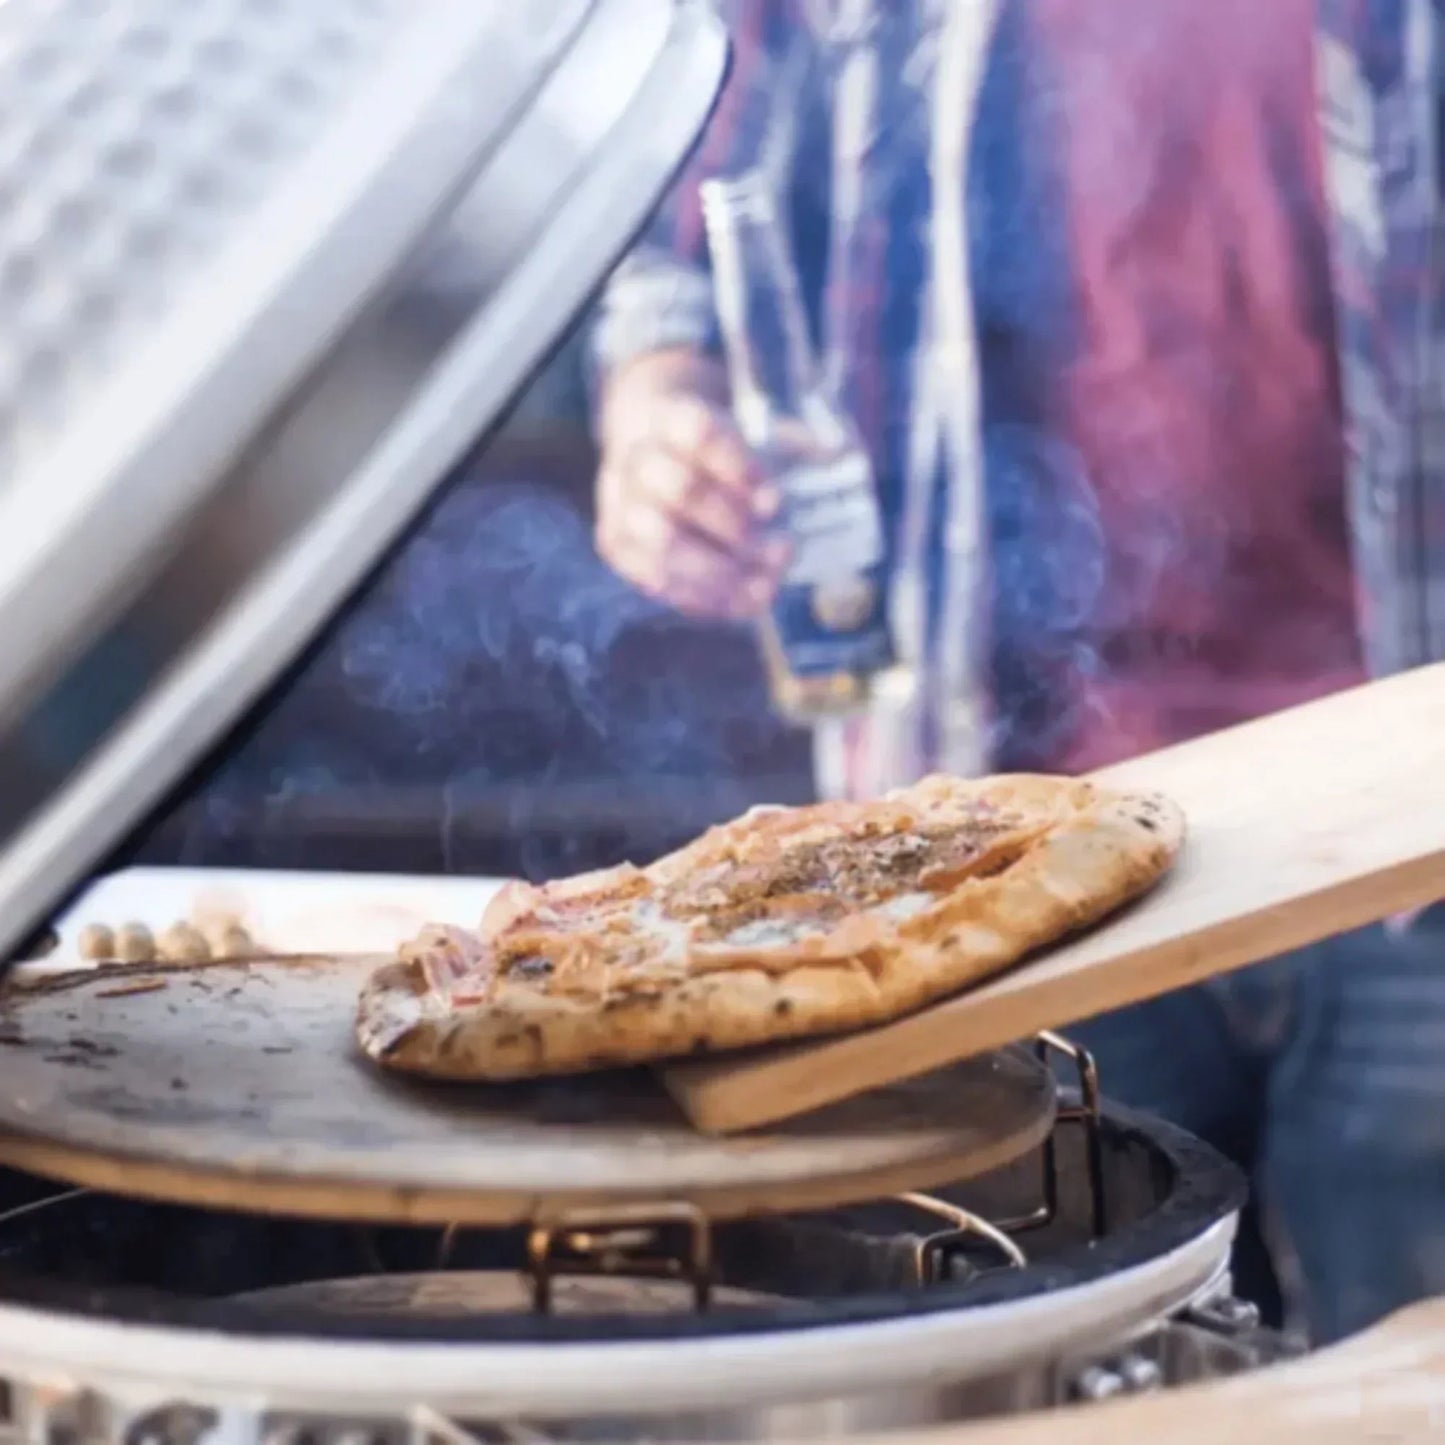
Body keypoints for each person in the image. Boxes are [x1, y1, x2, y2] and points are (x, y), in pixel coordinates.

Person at [589, 0, 1445, 1345]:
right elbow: (684, 190)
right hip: (1001, 836)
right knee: (1056, 1363)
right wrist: (657, 399)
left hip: (1414, 801)